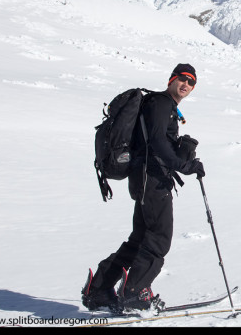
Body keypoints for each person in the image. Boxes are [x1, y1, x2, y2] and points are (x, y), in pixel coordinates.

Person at [82, 63, 205, 312]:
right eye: (182, 78)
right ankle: (135, 293)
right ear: (171, 79)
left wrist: (183, 157)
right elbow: (158, 143)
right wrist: (184, 165)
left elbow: (156, 141)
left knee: (139, 240)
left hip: (145, 179)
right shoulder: (160, 103)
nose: (186, 84)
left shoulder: (160, 105)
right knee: (159, 238)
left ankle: (99, 289)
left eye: (191, 82)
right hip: (152, 180)